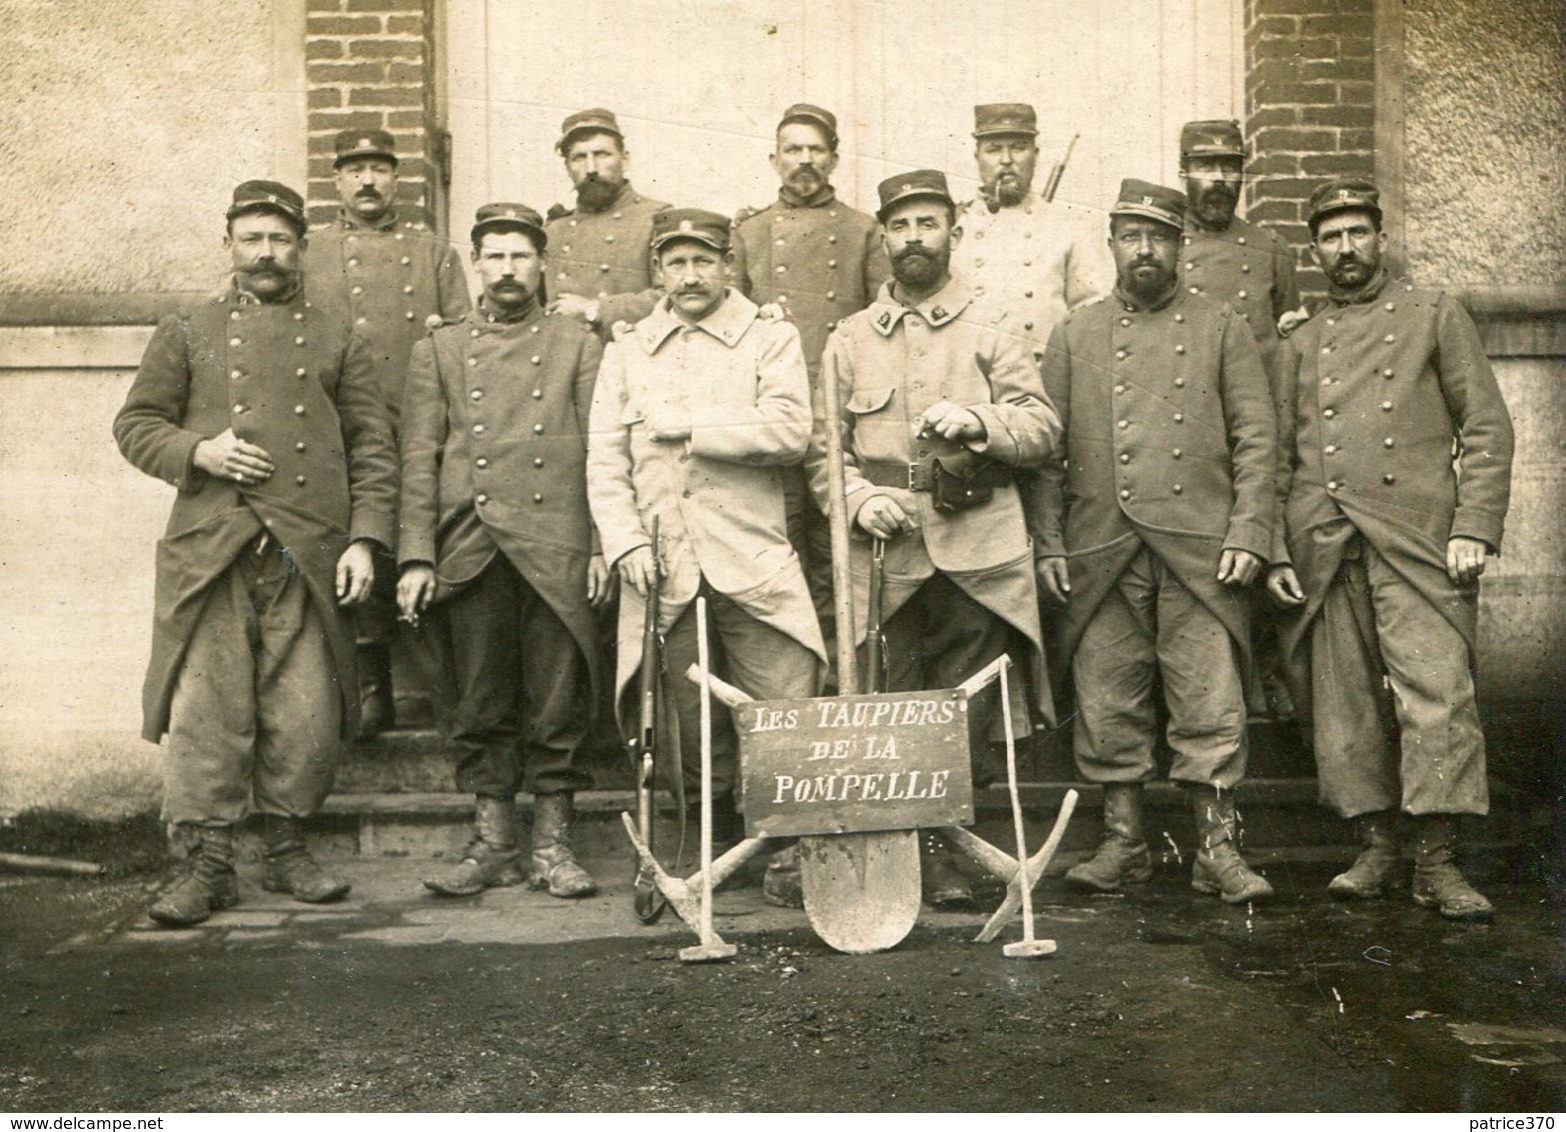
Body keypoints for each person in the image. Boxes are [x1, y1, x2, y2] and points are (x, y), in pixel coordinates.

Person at [113, 181, 397, 927]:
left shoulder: (338, 333)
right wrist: (198, 450)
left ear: (301, 246)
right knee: (208, 711)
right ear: (229, 244)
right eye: (252, 238)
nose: (266, 253)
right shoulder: (188, 327)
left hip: (308, 549)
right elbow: (136, 423)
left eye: (279, 239)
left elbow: (373, 447)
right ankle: (207, 865)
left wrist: (366, 538)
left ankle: (285, 847)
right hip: (214, 548)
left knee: (303, 712)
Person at [808, 170, 1060, 907]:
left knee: (964, 712)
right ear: (883, 239)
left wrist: (980, 422)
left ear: (954, 232)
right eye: (900, 226)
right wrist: (857, 500)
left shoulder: (993, 324)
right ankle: (900, 855)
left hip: (976, 549)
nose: (914, 238)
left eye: (928, 223)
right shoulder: (849, 340)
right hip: (885, 560)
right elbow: (825, 455)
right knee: (890, 706)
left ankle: (952, 848)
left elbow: (1042, 427)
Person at [1265, 178, 1514, 921]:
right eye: (1331, 237)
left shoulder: (1435, 314)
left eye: (1357, 233)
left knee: (1437, 695)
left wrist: (1474, 525)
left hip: (1416, 540)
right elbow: (1277, 459)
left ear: (1381, 237)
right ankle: (1375, 846)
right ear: (1316, 251)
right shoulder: (1301, 342)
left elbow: (1488, 429)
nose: (1346, 248)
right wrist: (1277, 549)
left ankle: (1436, 860)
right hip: (1326, 546)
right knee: (1341, 707)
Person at [1033, 179, 1277, 904]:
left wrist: (1250, 531)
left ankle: (1216, 849)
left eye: (1160, 237)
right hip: (1100, 546)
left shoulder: (1222, 328)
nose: (1145, 250)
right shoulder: (1074, 332)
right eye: (1131, 236)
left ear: (1180, 246)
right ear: (1110, 244)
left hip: (1202, 551)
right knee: (1109, 702)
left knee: (1210, 701)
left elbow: (1257, 440)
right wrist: (1048, 541)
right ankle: (1123, 843)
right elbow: (1046, 450)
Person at [587, 208, 825, 851]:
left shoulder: (768, 337)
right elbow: (605, 460)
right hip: (663, 560)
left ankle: (783, 841)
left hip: (751, 554)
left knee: (779, 698)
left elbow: (789, 430)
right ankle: (706, 838)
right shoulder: (628, 349)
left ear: (727, 266)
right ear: (658, 272)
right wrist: (625, 541)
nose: (689, 276)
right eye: (675, 263)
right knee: (684, 716)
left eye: (703, 261)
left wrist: (692, 427)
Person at [397, 204, 611, 899]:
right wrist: (415, 556)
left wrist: (603, 545)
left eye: (521, 255)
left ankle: (552, 846)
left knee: (557, 703)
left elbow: (603, 452)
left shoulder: (578, 342)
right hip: (473, 542)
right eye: (494, 256)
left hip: (556, 542)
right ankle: (492, 843)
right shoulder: (441, 347)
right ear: (476, 264)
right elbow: (418, 457)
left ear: (542, 262)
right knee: (479, 701)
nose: (508, 269)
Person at [303, 128, 472, 736]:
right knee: (359, 540)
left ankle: (441, 689)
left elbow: (462, 342)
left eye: (379, 169)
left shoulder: (432, 253)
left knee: (428, 539)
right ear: (338, 182)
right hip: (339, 425)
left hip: (419, 418)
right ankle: (371, 686)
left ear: (398, 179)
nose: (368, 181)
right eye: (355, 170)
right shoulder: (309, 252)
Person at [1178, 119, 1304, 721]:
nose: (1219, 179)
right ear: (1183, 172)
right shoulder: (1164, 245)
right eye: (1206, 166)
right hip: (1192, 420)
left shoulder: (1271, 249)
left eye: (1230, 166)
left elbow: (1289, 341)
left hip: (1257, 418)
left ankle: (1269, 677)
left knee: (1263, 531)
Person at [950, 102, 1111, 364]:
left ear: (1035, 155)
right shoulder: (954, 226)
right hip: (970, 379)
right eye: (993, 149)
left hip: (1044, 378)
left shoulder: (1070, 228)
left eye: (1018, 148)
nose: (1006, 160)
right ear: (977, 157)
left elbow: (1090, 317)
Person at [543, 108, 671, 336]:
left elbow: (673, 296)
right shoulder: (554, 230)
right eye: (579, 157)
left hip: (627, 358)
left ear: (625, 160)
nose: (591, 168)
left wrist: (596, 309)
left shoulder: (657, 219)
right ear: (567, 168)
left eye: (602, 154)